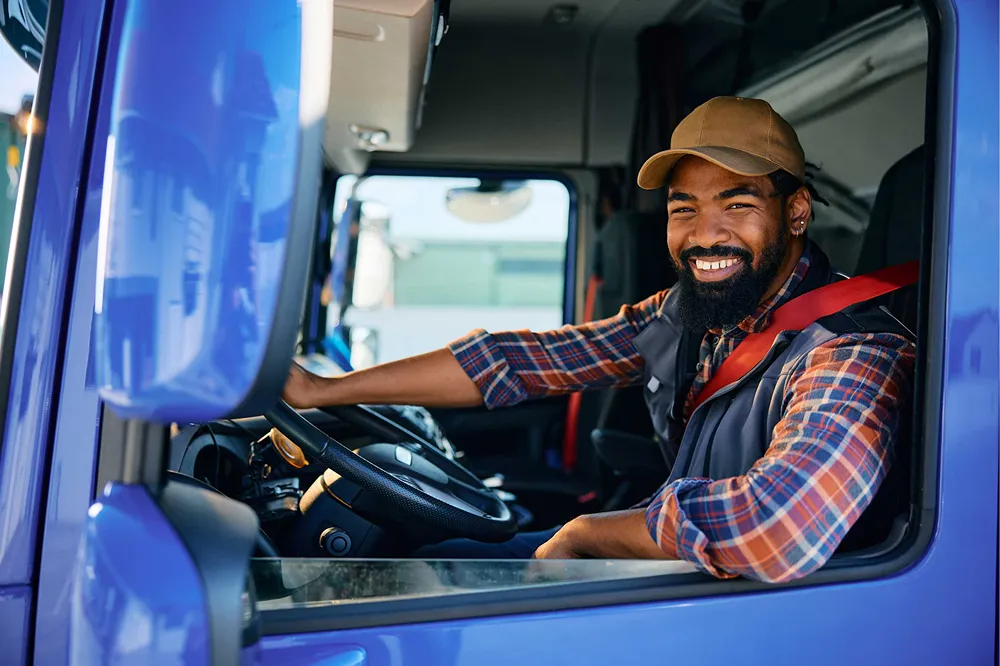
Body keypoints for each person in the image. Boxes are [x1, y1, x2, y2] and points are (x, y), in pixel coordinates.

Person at [282, 96, 915, 583]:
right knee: (423, 562)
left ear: (796, 211)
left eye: (737, 203)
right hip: (682, 575)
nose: (704, 234)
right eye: (682, 208)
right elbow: (517, 363)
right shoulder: (685, 313)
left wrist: (588, 532)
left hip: (754, 610)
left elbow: (776, 529)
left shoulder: (853, 351)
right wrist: (323, 390)